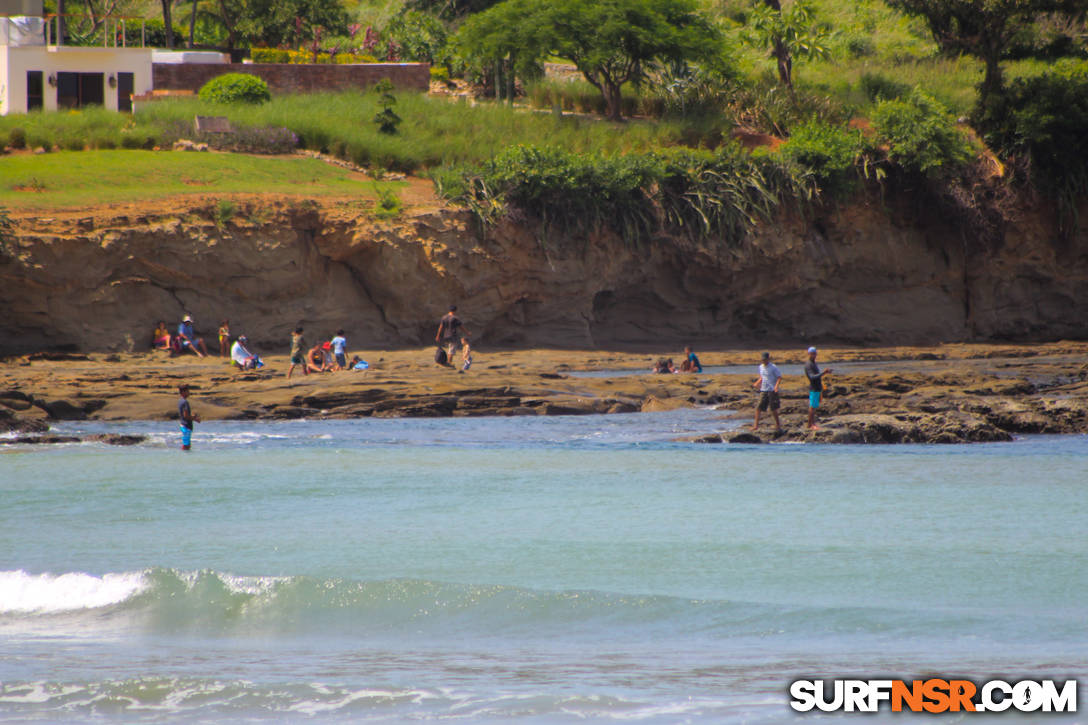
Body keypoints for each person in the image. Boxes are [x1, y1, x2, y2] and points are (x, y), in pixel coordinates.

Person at [752, 351, 782, 432]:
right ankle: (755, 426)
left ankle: (778, 425)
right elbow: (762, 377)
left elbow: (779, 377)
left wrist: (776, 387)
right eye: (762, 360)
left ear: (768, 359)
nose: (764, 361)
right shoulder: (761, 367)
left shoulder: (773, 367)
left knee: (773, 408)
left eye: (765, 359)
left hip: (772, 390)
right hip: (763, 390)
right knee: (758, 407)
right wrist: (757, 383)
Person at [804, 346, 833, 430]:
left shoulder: (814, 363)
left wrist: (825, 373)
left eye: (815, 354)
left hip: (817, 387)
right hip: (813, 387)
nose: (814, 355)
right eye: (812, 354)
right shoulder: (808, 364)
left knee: (815, 406)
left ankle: (811, 423)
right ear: (809, 354)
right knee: (812, 407)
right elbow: (812, 377)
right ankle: (811, 424)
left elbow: (817, 375)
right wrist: (823, 372)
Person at [177, 383, 200, 451]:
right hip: (186, 425)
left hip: (183, 425)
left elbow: (185, 415)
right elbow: (186, 416)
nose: (189, 393)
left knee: (187, 444)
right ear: (183, 392)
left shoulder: (180, 401)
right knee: (186, 446)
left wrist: (192, 416)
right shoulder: (185, 402)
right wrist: (195, 419)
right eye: (188, 391)